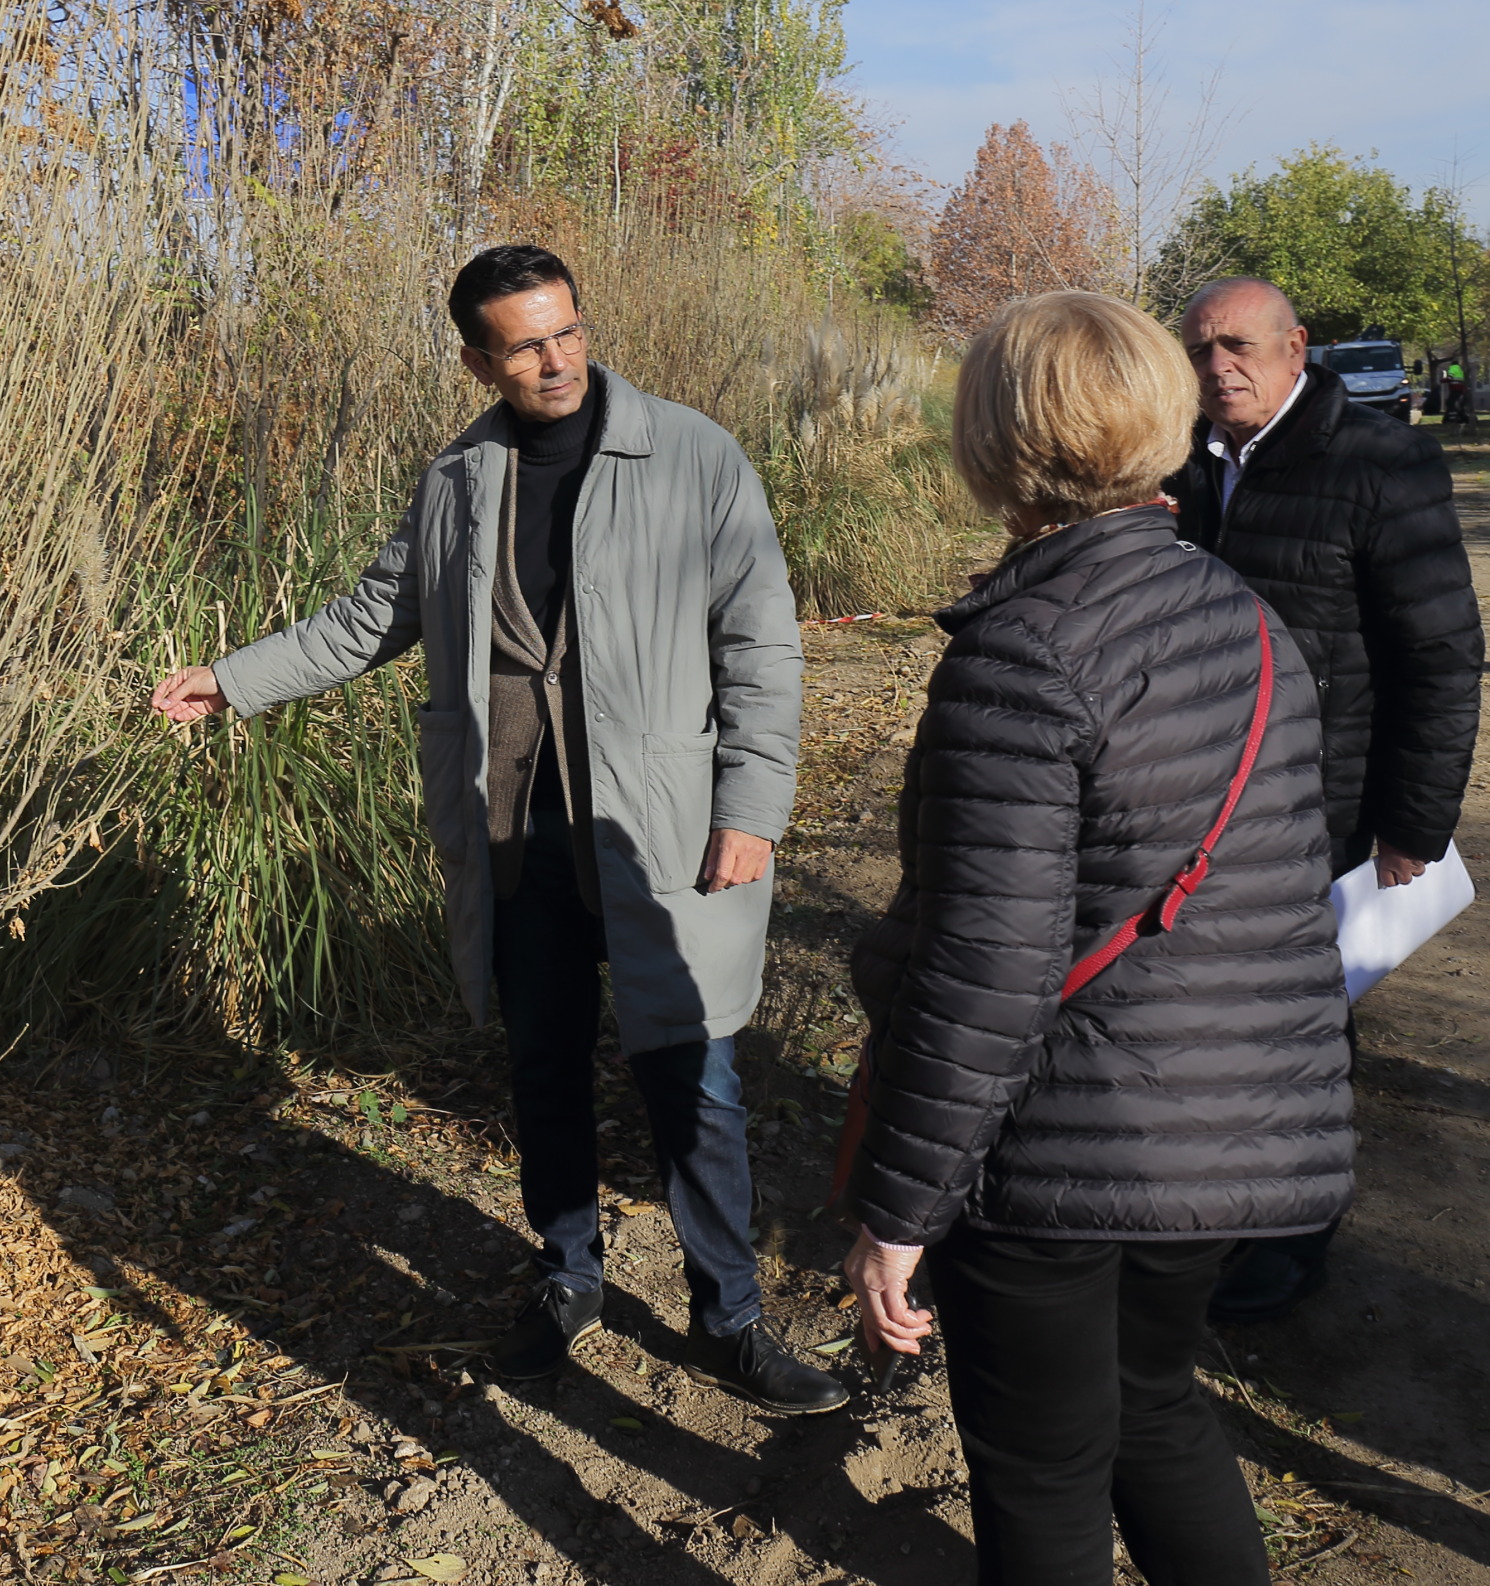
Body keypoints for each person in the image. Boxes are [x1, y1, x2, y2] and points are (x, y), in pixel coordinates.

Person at [150, 244, 845, 1414]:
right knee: (542, 1064)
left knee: (695, 1077)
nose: (557, 358)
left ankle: (730, 1317)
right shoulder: (459, 477)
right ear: (478, 357)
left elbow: (760, 648)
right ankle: (564, 1276)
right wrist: (233, 677)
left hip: (664, 829)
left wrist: (752, 810)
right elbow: (374, 613)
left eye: (567, 330)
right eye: (525, 345)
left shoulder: (692, 455)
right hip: (514, 825)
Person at [839, 291, 1353, 1586]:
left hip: (1064, 1152)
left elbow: (984, 970)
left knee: (1041, 1472)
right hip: (1228, 1134)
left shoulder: (1020, 652)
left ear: (997, 441)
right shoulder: (1247, 623)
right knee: (1157, 1407)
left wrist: (895, 1207)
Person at [1164, 278, 1482, 1322]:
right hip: (1196, 809)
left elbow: (1438, 657)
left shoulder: (1379, 463)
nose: (1219, 366)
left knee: (1296, 1033)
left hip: (1323, 810)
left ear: (1296, 347)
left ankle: (1287, 1244)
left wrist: (1411, 825)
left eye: (1239, 345)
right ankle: (1206, 1214)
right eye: (1201, 347)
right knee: (1203, 1023)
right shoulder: (1181, 463)